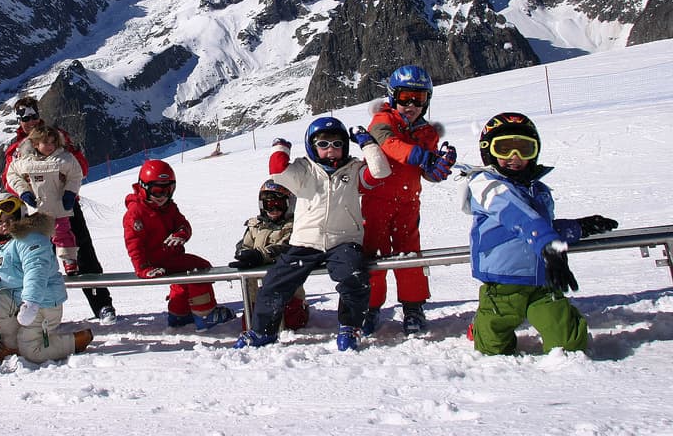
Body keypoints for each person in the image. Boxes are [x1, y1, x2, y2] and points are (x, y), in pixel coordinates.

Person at [459, 112, 618, 355]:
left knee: (569, 343)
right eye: (504, 149)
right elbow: (518, 216)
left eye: (525, 148)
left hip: (544, 281)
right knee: (492, 347)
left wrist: (579, 227)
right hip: (503, 284)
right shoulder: (486, 185)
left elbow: (542, 226)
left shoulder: (538, 189)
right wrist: (548, 246)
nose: (515, 157)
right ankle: (481, 325)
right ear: (488, 152)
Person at [235, 117, 391, 351]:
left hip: (344, 240)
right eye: (323, 144)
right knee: (274, 283)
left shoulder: (354, 169)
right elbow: (277, 171)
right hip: (305, 243)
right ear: (312, 146)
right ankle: (263, 331)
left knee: (353, 277)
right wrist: (281, 147)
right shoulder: (304, 170)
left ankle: (350, 326)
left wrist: (366, 141)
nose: (331, 150)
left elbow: (380, 171)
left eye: (337, 144)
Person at [0, 96, 117, 325]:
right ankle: (38, 313)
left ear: (39, 114)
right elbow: (8, 179)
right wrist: (24, 190)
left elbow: (80, 167)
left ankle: (102, 305)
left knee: (84, 256)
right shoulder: (16, 149)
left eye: (33, 116)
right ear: (19, 121)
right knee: (36, 262)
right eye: (25, 118)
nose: (30, 121)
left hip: (66, 207)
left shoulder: (56, 137)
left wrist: (68, 185)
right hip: (35, 212)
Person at [361, 65, 456, 336]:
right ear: (393, 97)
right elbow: (388, 143)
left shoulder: (428, 133)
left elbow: (428, 172)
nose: (411, 105)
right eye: (405, 98)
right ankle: (370, 306)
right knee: (373, 256)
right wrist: (419, 156)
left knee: (410, 255)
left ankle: (413, 306)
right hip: (376, 199)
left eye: (419, 98)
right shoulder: (382, 119)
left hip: (408, 202)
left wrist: (439, 168)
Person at [0, 193, 93, 364]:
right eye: (0, 222)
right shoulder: (3, 246)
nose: (4, 225)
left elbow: (36, 271)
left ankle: (73, 342)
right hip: (22, 298)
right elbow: (4, 278)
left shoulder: (30, 239)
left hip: (44, 302)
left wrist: (31, 302)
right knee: (0, 302)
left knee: (32, 351)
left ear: (21, 216)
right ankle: (10, 345)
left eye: (9, 219)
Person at [123, 160, 235, 331]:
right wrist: (142, 268)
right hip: (154, 261)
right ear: (143, 187)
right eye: (157, 191)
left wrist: (181, 233)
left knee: (185, 270)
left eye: (168, 191)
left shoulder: (169, 207)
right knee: (200, 268)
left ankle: (179, 313)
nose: (162, 197)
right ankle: (205, 313)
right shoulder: (136, 213)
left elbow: (183, 224)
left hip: (170, 257)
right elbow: (133, 244)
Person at [228, 180, 309, 331]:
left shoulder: (295, 225)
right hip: (256, 286)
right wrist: (244, 254)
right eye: (268, 205)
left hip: (286, 279)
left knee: (291, 322)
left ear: (289, 204)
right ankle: (253, 311)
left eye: (279, 205)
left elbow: (287, 247)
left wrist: (260, 255)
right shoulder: (256, 225)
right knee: (251, 323)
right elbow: (244, 244)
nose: (274, 210)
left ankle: (299, 309)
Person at [6, 125, 83, 276]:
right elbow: (12, 174)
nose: (49, 146)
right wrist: (24, 192)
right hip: (37, 208)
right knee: (38, 238)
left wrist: (70, 193)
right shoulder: (25, 161)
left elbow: (75, 175)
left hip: (58, 205)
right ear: (35, 144)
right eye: (45, 142)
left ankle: (69, 260)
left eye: (52, 142)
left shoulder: (64, 158)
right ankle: (40, 263)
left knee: (62, 233)